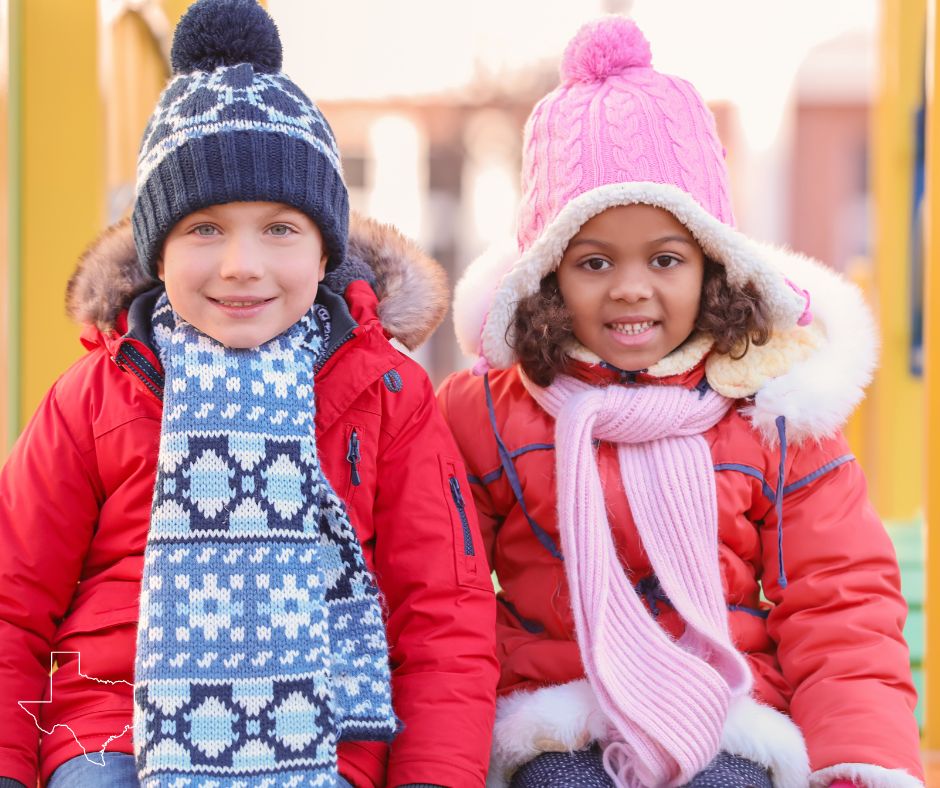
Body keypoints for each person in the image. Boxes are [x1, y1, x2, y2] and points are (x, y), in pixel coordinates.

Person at [0, 1, 497, 786]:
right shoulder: (98, 394)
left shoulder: (385, 393)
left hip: (325, 731)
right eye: (203, 228)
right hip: (113, 728)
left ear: (325, 248)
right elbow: (12, 597)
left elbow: (445, 615)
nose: (241, 264)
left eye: (279, 228)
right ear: (156, 249)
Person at [437, 16, 923, 788]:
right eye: (594, 260)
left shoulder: (769, 408)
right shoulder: (492, 411)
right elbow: (441, 589)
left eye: (666, 258)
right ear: (548, 274)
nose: (631, 287)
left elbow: (839, 602)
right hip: (561, 713)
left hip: (726, 709)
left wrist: (856, 765)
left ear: (714, 265)